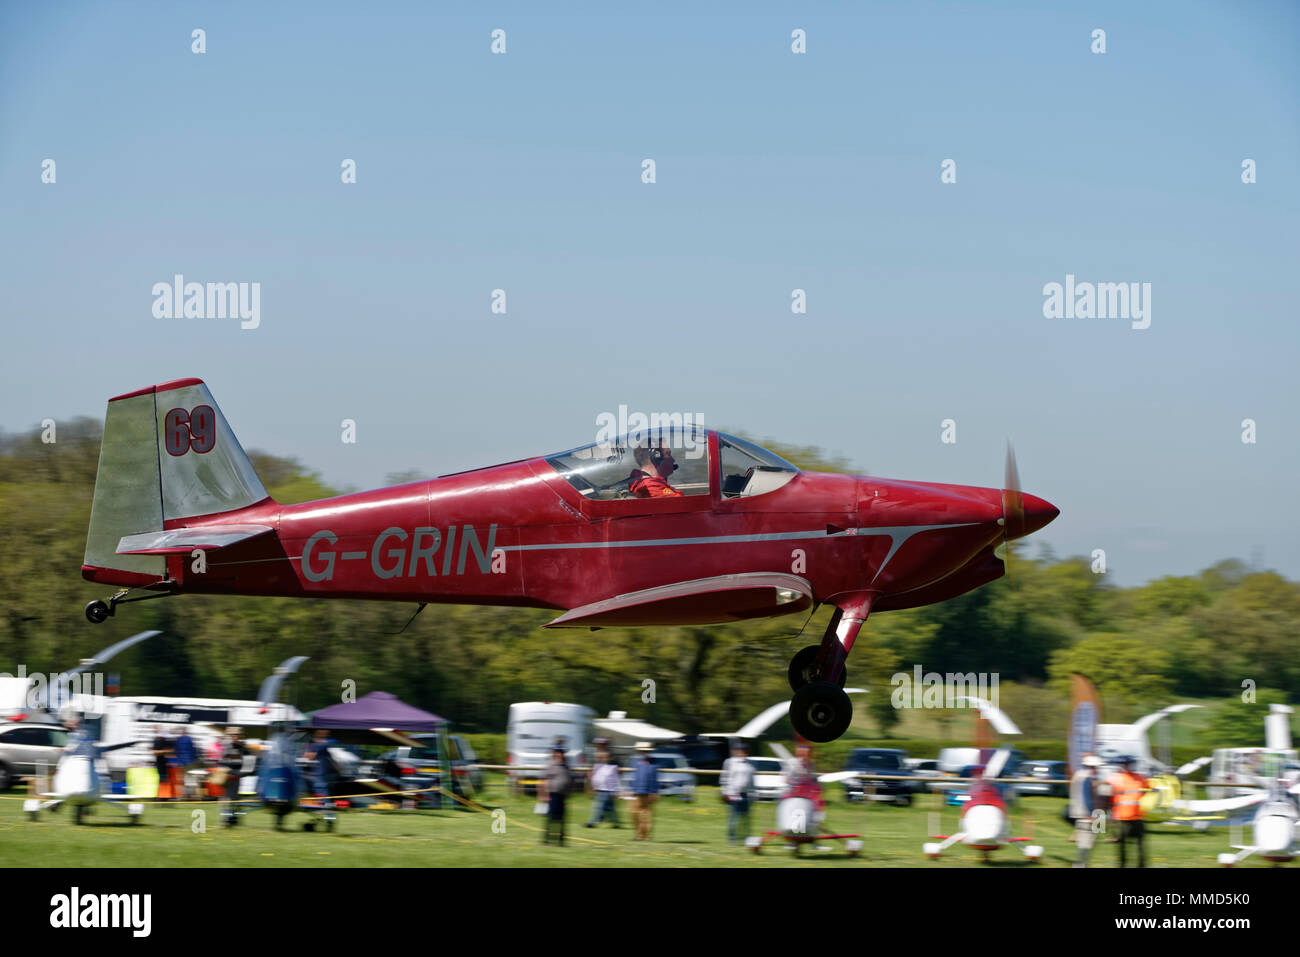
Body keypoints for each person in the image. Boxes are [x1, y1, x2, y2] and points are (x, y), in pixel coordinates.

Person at [1107, 755, 1149, 867]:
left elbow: (1147, 792)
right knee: (1124, 846)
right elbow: (1109, 796)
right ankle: (1123, 865)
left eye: (1128, 764)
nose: (1127, 766)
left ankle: (1141, 865)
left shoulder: (1140, 778)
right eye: (1125, 764)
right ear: (1122, 765)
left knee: (1139, 845)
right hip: (1123, 818)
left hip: (1137, 816)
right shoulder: (1116, 777)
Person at [720, 740, 756, 845]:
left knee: (746, 818)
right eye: (740, 750)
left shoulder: (750, 765)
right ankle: (731, 838)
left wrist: (754, 794)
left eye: (745, 750)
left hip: (745, 794)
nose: (742, 752)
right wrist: (725, 792)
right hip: (733, 794)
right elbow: (724, 778)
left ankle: (746, 837)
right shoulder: (729, 762)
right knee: (733, 817)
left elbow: (752, 781)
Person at [1068, 755, 1102, 867]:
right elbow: (1087, 797)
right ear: (1090, 766)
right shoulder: (1087, 778)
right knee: (1087, 843)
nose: (1096, 770)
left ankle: (1082, 863)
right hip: (1088, 814)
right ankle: (1080, 864)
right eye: (1095, 767)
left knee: (1084, 843)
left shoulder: (1078, 775)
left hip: (1079, 813)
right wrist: (1091, 814)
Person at [537, 744, 570, 845]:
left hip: (562, 796)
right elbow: (543, 780)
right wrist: (543, 795)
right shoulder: (550, 765)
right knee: (551, 819)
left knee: (562, 819)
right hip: (552, 796)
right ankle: (546, 840)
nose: (559, 754)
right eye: (557, 752)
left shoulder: (566, 766)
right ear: (554, 753)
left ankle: (561, 841)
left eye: (561, 753)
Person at [585, 741, 621, 828]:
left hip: (607, 790)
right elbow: (595, 777)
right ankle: (616, 823)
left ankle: (593, 822)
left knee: (598, 806)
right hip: (600, 789)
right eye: (599, 757)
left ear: (607, 757)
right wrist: (594, 787)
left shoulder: (611, 766)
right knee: (610, 808)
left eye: (602, 757)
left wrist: (615, 791)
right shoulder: (597, 766)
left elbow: (615, 779)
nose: (600, 758)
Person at [219, 727, 249, 826]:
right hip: (227, 778)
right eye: (232, 735)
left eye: (236, 735)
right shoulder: (227, 747)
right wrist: (225, 769)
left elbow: (249, 767)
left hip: (237, 779)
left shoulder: (244, 749)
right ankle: (226, 820)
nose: (234, 737)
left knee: (235, 800)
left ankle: (234, 819)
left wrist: (237, 773)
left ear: (240, 736)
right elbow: (222, 762)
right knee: (226, 800)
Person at [629, 742, 660, 840]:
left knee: (646, 813)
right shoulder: (638, 762)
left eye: (645, 751)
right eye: (642, 751)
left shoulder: (653, 762)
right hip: (638, 790)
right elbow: (636, 777)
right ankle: (639, 834)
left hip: (648, 791)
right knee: (634, 812)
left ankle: (645, 836)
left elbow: (653, 777)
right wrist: (633, 790)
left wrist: (654, 791)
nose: (644, 752)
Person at [301, 728, 338, 810]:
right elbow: (331, 758)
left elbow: (311, 757)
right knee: (325, 789)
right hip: (326, 771)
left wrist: (305, 754)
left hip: (320, 771)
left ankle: (325, 807)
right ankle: (327, 806)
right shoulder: (325, 744)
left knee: (321, 788)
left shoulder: (318, 745)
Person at [172, 725, 198, 800]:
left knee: (181, 780)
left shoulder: (178, 739)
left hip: (181, 762)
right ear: (186, 731)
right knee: (190, 779)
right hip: (189, 761)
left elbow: (176, 751)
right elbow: (193, 751)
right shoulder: (190, 739)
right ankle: (190, 796)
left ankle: (181, 796)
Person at [151, 725, 173, 799]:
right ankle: (161, 796)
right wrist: (165, 751)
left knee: (165, 780)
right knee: (162, 780)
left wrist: (167, 752)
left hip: (166, 765)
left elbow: (172, 751)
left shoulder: (166, 741)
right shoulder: (157, 741)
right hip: (161, 764)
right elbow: (155, 752)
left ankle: (164, 796)